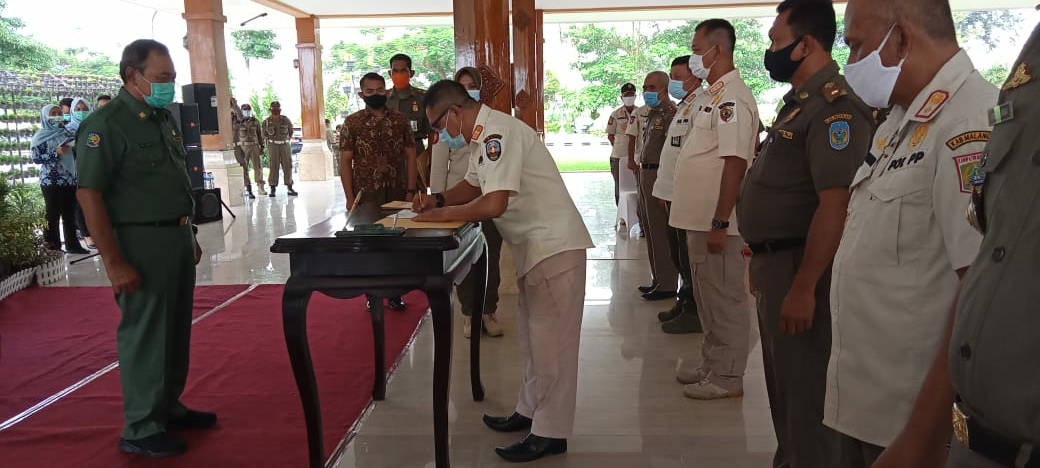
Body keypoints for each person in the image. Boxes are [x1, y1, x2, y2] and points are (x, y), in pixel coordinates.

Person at [824, 0, 995, 465]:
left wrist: (922, 435)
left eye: (857, 45)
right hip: (869, 403)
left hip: (912, 422)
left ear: (900, 38)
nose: (849, 62)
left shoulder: (968, 123)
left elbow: (981, 295)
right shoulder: (902, 119)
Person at [415, 79, 593, 463]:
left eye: (437, 126)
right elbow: (471, 186)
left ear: (455, 113)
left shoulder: (498, 133)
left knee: (553, 348)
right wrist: (438, 199)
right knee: (535, 342)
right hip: (537, 247)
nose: (438, 135)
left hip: (553, 247)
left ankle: (550, 433)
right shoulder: (483, 139)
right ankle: (528, 412)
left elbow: (493, 204)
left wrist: (446, 214)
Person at [736, 1, 874, 466]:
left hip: (802, 268)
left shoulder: (836, 110)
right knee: (785, 387)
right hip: (778, 264)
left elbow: (836, 205)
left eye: (777, 41)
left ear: (806, 44)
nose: (770, 50)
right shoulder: (799, 104)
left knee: (806, 392)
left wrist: (802, 287)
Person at [75, 39, 212, 458]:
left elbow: (170, 184)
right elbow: (90, 195)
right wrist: (113, 261)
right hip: (138, 240)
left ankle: (168, 406)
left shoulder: (160, 119)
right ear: (131, 75)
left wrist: (187, 235)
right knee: (145, 333)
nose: (169, 85)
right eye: (161, 78)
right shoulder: (106, 124)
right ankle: (140, 425)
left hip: (173, 237)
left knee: (174, 329)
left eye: (171, 77)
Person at [669, 19, 758, 400]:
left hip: (717, 221)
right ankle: (713, 360)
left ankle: (729, 375)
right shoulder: (712, 95)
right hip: (700, 218)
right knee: (707, 294)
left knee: (725, 296)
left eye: (696, 48)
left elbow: (735, 162)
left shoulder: (732, 99)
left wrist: (721, 220)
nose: (693, 57)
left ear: (716, 50)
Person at [428, 66, 504, 338]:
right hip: (457, 200)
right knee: (463, 261)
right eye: (463, 84)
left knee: (490, 257)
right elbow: (438, 166)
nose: (468, 88)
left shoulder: (492, 124)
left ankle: (489, 310)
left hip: (490, 197)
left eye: (472, 85)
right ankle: (469, 314)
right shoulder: (448, 124)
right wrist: (437, 201)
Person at [340, 72, 418, 312]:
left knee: (398, 244)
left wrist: (411, 190)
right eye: (370, 91)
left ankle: (395, 293)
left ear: (386, 91)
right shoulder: (352, 123)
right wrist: (350, 197)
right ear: (362, 94)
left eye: (380, 90)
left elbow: (410, 156)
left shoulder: (400, 120)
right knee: (369, 245)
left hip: (396, 190)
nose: (376, 95)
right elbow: (345, 162)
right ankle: (372, 294)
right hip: (367, 193)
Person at [654, 55, 707, 335]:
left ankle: (694, 310)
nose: (673, 81)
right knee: (677, 251)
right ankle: (683, 300)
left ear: (694, 76)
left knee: (687, 254)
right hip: (672, 193)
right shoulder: (685, 106)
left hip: (684, 195)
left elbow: (693, 154)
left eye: (678, 76)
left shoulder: (702, 104)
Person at [631, 71, 679, 303]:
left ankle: (668, 283)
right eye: (645, 87)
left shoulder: (671, 113)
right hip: (646, 171)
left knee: (660, 230)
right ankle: (657, 278)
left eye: (651, 87)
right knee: (649, 228)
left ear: (664, 88)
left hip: (659, 172)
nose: (646, 91)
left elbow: (672, 151)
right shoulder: (652, 113)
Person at [31, 104, 87, 254]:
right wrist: (56, 153)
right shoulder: (40, 136)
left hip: (69, 178)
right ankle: (52, 246)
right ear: (45, 116)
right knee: (52, 213)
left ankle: (73, 245)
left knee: (69, 213)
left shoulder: (66, 132)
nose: (57, 115)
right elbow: (36, 158)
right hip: (51, 180)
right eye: (53, 113)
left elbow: (75, 154)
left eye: (59, 112)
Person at [387, 53, 431, 186]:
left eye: (403, 71)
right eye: (395, 71)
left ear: (411, 73)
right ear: (390, 73)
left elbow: (433, 131)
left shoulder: (423, 98)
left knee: (418, 195)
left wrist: (430, 159)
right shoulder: (383, 98)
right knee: (392, 195)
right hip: (390, 152)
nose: (398, 74)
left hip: (417, 149)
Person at [65, 98, 96, 249]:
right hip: (75, 172)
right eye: (77, 109)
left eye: (84, 109)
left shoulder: (94, 126)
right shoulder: (68, 130)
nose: (81, 112)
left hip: (94, 170)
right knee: (79, 204)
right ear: (72, 111)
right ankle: (87, 235)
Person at [605, 82, 638, 205]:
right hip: (618, 157)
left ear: (635, 95)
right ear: (621, 97)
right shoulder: (615, 114)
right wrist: (620, 147)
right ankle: (622, 214)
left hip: (636, 156)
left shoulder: (640, 112)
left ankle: (636, 212)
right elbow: (610, 135)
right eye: (626, 94)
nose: (629, 96)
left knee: (636, 186)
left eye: (632, 94)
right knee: (620, 187)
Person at [263, 101, 297, 197]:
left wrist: (285, 140)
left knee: (288, 165)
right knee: (273, 166)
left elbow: (291, 131)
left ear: (280, 110)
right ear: (271, 110)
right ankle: (273, 188)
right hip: (273, 146)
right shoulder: (266, 122)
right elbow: (264, 134)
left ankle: (289, 187)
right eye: (274, 109)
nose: (276, 110)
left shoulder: (285, 120)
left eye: (277, 108)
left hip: (285, 145)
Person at [229, 97, 256, 199]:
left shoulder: (237, 117)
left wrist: (235, 105)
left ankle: (249, 189)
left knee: (244, 168)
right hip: (226, 148)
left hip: (237, 148)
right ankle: (235, 190)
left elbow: (242, 118)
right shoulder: (223, 116)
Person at [238, 103, 265, 197]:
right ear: (241, 111)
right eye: (245, 109)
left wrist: (262, 146)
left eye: (248, 109)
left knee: (258, 167)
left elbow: (259, 135)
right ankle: (247, 188)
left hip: (254, 146)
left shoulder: (255, 121)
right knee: (244, 168)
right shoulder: (238, 122)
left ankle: (260, 186)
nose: (247, 111)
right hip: (243, 147)